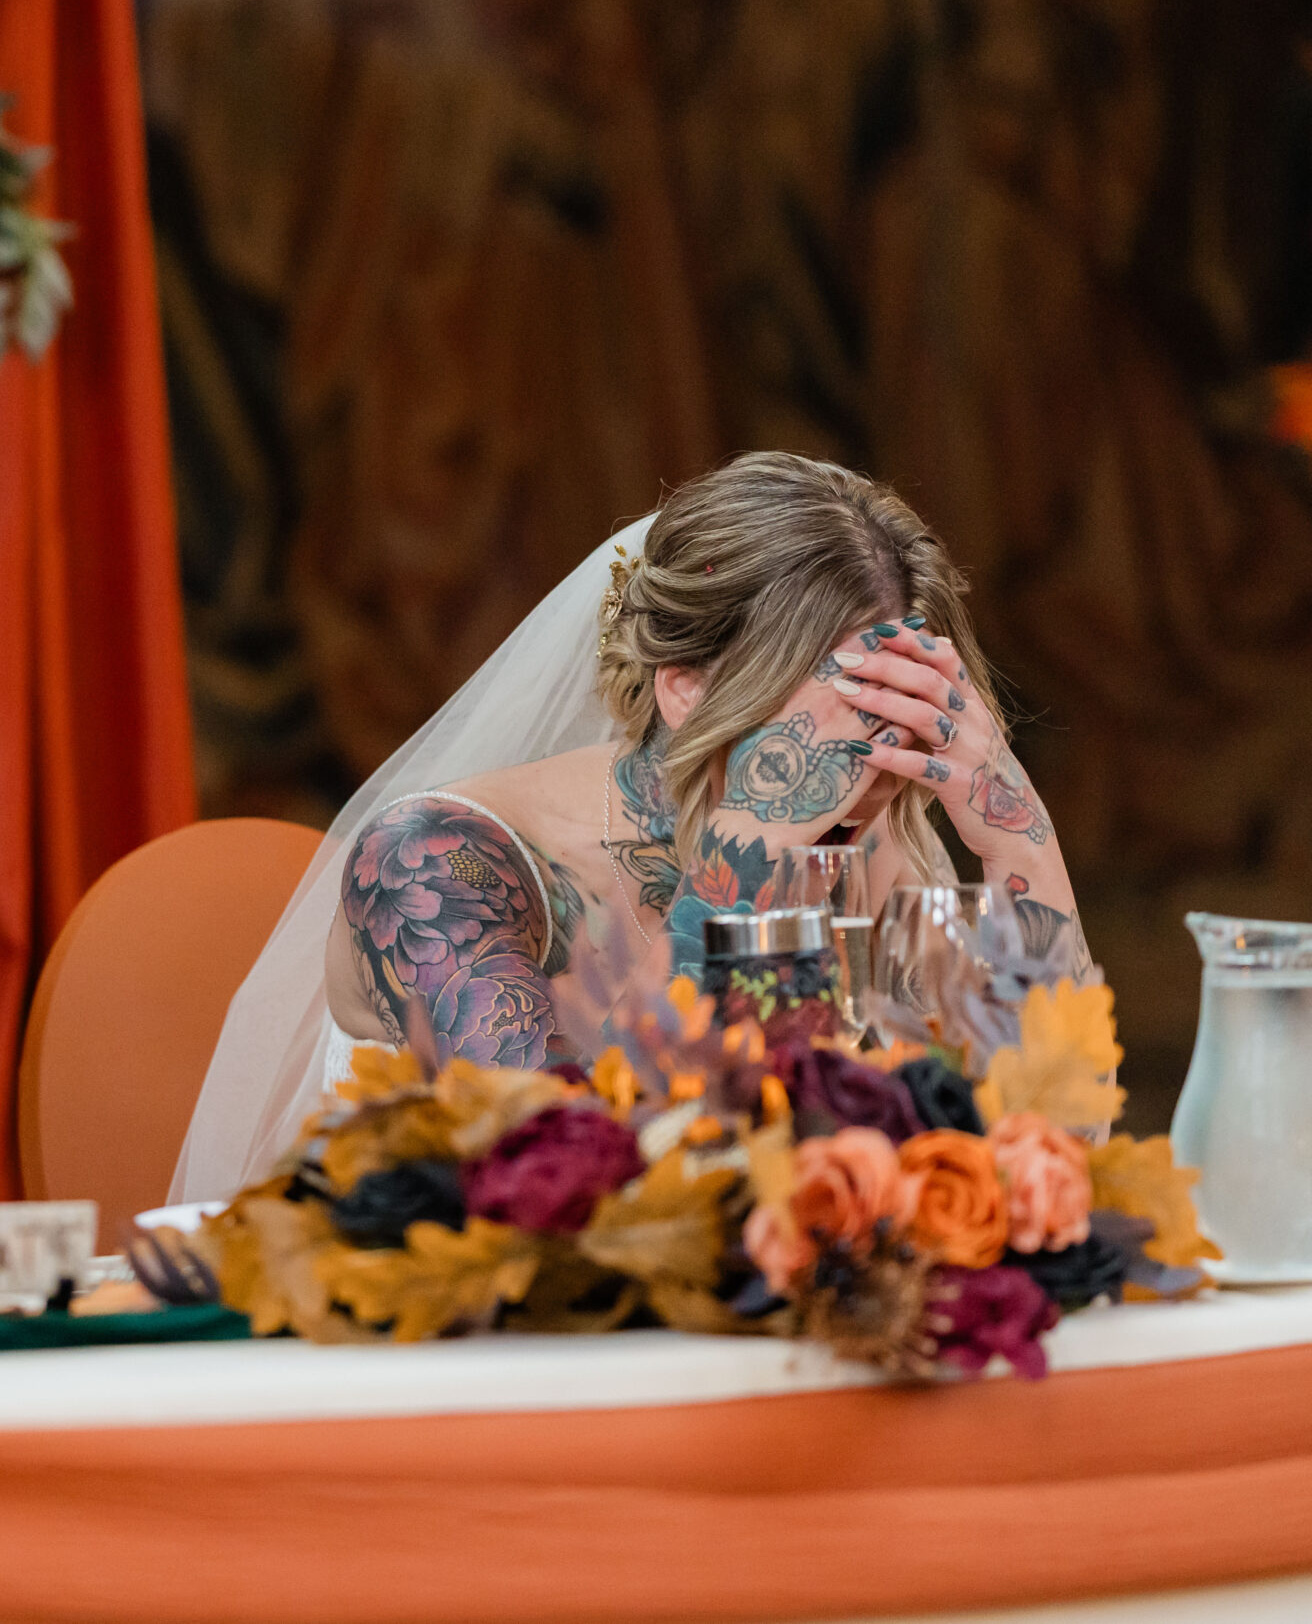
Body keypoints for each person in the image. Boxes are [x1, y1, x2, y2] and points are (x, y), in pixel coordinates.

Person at [173, 452, 1087, 1201]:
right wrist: (753, 850)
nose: (877, 754)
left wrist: (1015, 836)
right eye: (850, 706)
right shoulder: (438, 862)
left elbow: (1060, 1128)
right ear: (686, 686)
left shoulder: (859, 841)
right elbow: (574, 1190)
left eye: (907, 708)